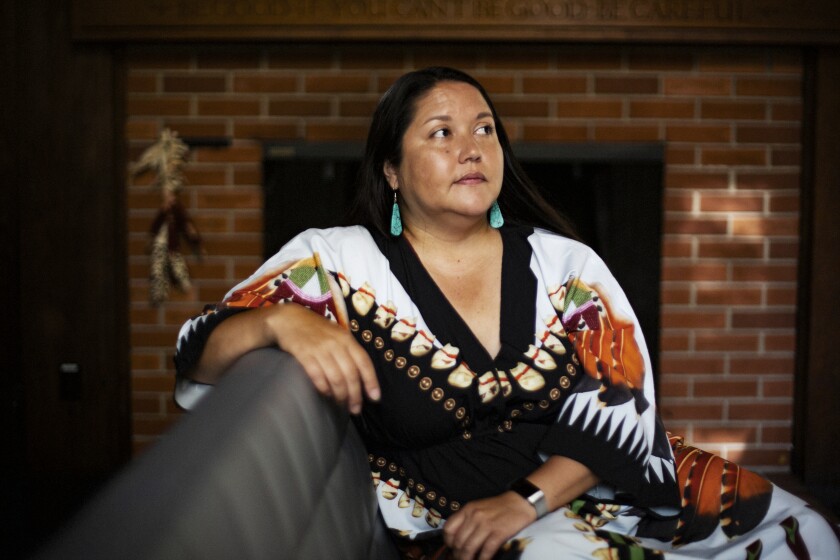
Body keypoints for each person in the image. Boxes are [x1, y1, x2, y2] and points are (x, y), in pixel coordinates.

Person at [173, 67, 839, 559]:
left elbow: (623, 402)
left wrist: (524, 500)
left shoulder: (565, 265)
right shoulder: (340, 262)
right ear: (392, 172)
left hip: (594, 488)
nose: (473, 147)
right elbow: (198, 346)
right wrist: (278, 321)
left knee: (802, 534)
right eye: (443, 133)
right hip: (448, 517)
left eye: (485, 130)